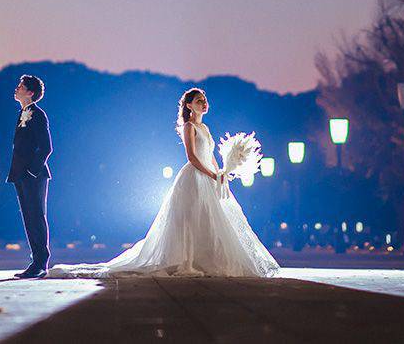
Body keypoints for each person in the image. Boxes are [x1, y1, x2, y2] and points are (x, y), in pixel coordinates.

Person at [48, 88, 280, 278]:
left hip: (209, 176)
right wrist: (210, 174)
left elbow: (209, 155)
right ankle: (187, 261)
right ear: (189, 106)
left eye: (205, 100)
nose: (204, 104)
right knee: (189, 219)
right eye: (199, 101)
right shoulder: (189, 127)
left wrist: (220, 172)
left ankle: (205, 258)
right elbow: (192, 157)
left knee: (209, 218)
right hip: (193, 177)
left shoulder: (205, 128)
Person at [7, 73, 52, 278]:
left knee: (36, 216)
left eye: (21, 86)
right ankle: (35, 261)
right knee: (28, 217)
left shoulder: (38, 114)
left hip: (34, 175)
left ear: (30, 92)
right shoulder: (22, 113)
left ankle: (41, 262)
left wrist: (32, 172)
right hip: (20, 174)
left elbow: (46, 147)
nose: (16, 88)